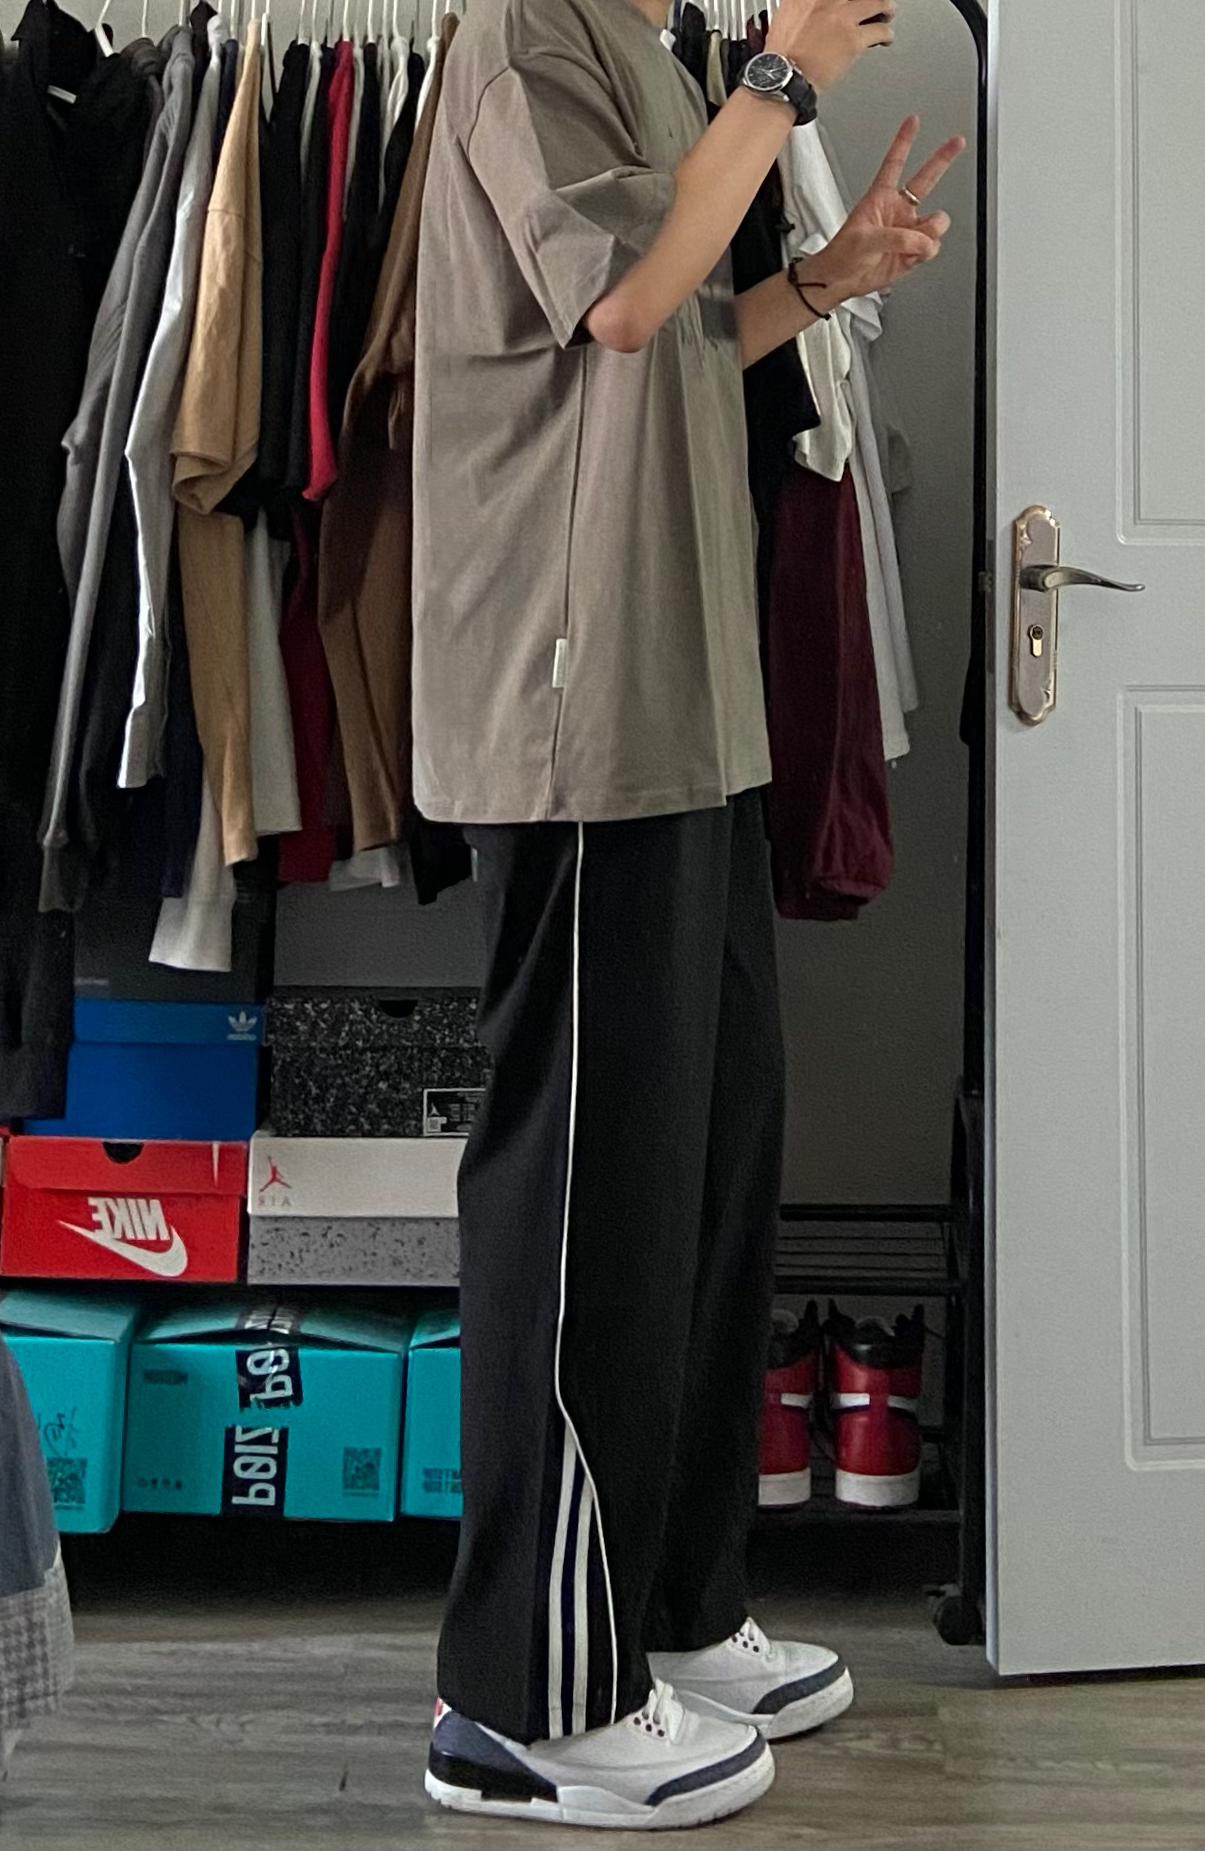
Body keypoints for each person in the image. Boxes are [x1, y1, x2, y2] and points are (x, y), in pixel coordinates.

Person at [412, 0, 963, 1827]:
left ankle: (667, 1608)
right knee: (587, 1202)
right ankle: (524, 1698)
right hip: (578, 712)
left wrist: (821, 281)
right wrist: (782, 83)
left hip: (689, 707)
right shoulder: (525, 32)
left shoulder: (659, 47)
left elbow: (690, 342)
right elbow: (623, 307)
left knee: (708, 1176)